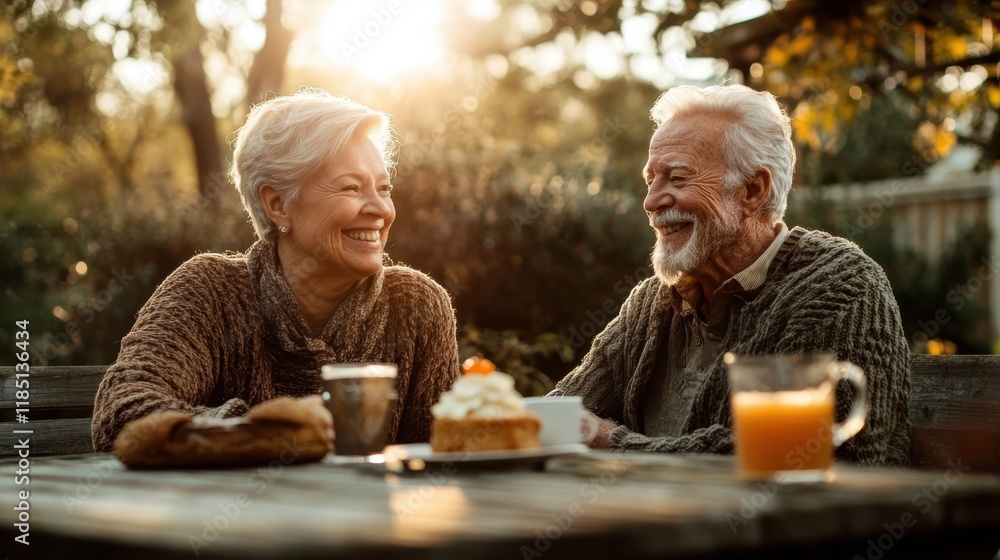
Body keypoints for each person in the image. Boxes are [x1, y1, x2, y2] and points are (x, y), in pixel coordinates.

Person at [553, 84, 911, 466]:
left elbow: (800, 452)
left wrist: (613, 442)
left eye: (677, 178)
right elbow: (560, 415)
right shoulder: (651, 303)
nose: (651, 201)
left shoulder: (841, 288)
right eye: (651, 180)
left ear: (753, 190)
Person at [92, 88, 460, 452]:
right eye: (351, 188)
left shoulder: (418, 307)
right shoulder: (210, 291)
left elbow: (447, 457)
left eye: (384, 188)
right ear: (278, 204)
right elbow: (122, 413)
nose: (381, 209)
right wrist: (267, 434)